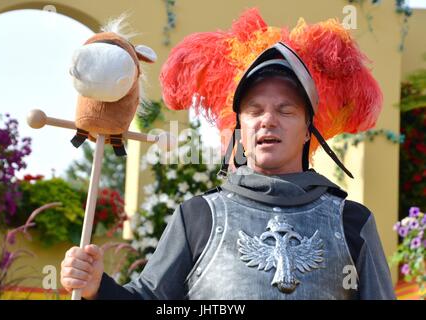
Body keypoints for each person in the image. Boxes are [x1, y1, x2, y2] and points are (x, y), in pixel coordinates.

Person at [60, 39, 396, 300]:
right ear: (240, 127)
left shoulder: (353, 222)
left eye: (285, 109)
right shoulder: (197, 217)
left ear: (308, 129)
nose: (268, 120)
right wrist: (97, 288)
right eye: (254, 110)